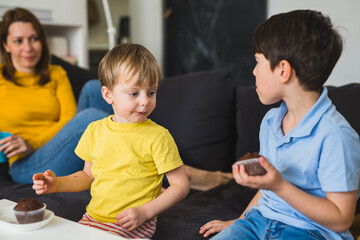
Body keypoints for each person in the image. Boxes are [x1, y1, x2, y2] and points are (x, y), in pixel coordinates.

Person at [199, 9, 360, 240]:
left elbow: (341, 218)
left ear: (283, 70)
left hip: (310, 232)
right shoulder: (271, 122)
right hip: (258, 222)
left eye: (257, 62)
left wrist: (280, 186)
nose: (253, 71)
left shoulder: (337, 136)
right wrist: (239, 222)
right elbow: (268, 191)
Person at [32, 43, 190, 239]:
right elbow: (87, 176)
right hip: (92, 218)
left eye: (151, 92)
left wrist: (145, 212)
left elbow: (180, 186)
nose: (145, 101)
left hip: (133, 224)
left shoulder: (158, 137)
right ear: (108, 95)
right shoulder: (94, 130)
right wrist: (56, 184)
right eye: (134, 93)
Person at [0, 8, 111, 183]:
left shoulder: (56, 73)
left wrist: (32, 143)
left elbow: (68, 117)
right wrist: (27, 147)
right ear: (6, 45)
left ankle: (146, 149)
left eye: (34, 39)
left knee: (94, 88)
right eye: (18, 41)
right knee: (92, 118)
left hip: (61, 145)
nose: (28, 48)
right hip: (25, 163)